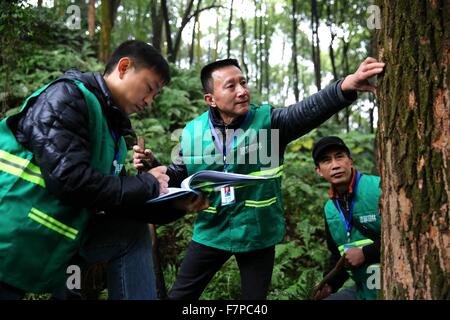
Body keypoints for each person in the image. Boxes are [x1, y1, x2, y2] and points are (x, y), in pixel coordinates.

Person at [133, 57, 385, 299]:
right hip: (212, 231)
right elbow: (177, 175)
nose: (242, 91)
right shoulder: (192, 132)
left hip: (258, 233)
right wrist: (154, 166)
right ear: (210, 99)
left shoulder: (269, 123)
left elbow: (308, 110)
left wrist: (345, 87)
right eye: (230, 86)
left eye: (243, 82)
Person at [0, 40, 206, 300]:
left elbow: (118, 201)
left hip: (53, 239)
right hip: (10, 234)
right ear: (124, 67)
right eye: (149, 88)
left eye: (155, 95)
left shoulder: (115, 136)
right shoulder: (66, 98)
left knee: (130, 232)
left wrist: (177, 206)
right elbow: (69, 180)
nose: (150, 101)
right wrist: (148, 183)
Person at [311, 136, 381, 300]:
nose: (335, 165)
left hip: (393, 284)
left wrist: (365, 253)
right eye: (326, 160)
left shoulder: (378, 188)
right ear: (319, 171)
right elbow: (337, 254)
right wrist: (330, 285)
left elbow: (407, 237)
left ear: (350, 161)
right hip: (363, 289)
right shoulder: (330, 209)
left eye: (339, 156)